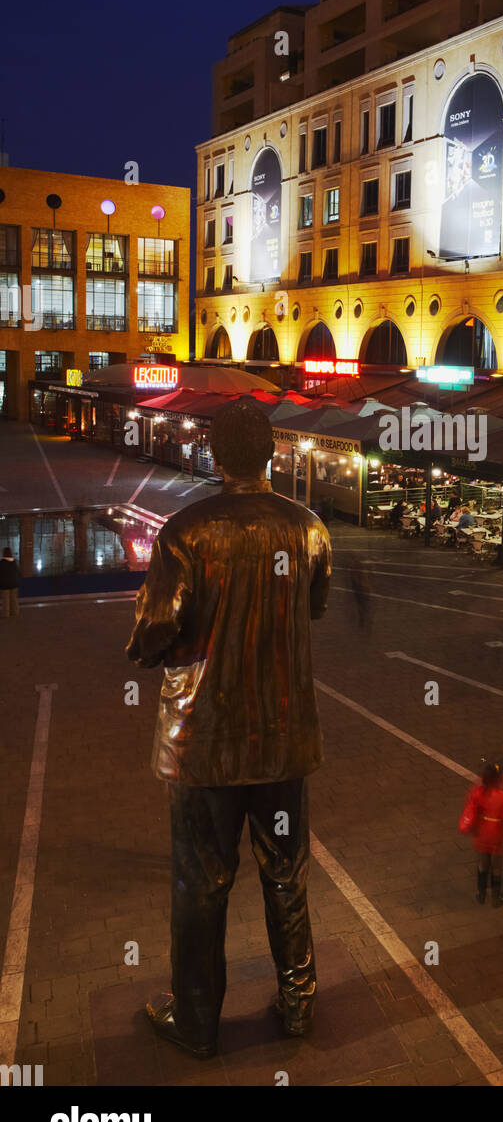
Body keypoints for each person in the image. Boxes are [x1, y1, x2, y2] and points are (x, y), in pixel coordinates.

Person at [126, 399, 331, 1058]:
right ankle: (299, 1001)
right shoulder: (309, 529)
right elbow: (315, 606)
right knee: (286, 874)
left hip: (205, 744)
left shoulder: (186, 531)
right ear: (271, 453)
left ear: (215, 456)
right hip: (283, 738)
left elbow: (153, 634)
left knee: (201, 886)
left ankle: (196, 1021)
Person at [459, 761, 503, 906]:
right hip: (497, 834)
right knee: (496, 867)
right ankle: (496, 898)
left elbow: (471, 808)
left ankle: (481, 895)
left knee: (482, 864)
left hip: (481, 833)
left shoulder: (477, 793)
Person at [0, 546, 21, 620]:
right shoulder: (15, 562)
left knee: (6, 601)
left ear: (3, 553)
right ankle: (15, 612)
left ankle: (6, 614)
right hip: (14, 584)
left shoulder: (1, 563)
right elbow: (18, 572)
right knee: (14, 600)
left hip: (4, 585)